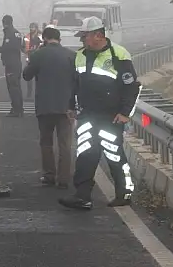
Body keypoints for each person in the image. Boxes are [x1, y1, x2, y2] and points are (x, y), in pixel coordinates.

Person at [58, 17, 142, 210]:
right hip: (87, 114)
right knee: (85, 154)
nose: (82, 40)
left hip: (111, 116)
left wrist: (125, 113)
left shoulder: (118, 55)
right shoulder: (80, 55)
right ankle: (82, 196)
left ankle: (124, 193)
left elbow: (132, 88)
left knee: (114, 155)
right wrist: (71, 106)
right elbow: (74, 84)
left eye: (85, 36)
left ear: (98, 35)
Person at [22, 27, 76, 189]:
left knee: (46, 142)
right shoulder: (71, 56)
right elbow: (77, 81)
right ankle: (64, 178)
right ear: (59, 39)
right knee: (65, 144)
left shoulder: (39, 54)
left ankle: (49, 175)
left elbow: (26, 75)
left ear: (44, 38)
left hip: (44, 106)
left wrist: (34, 57)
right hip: (66, 106)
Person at [0, 14, 24, 117]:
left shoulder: (11, 33)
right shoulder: (15, 33)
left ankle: (17, 109)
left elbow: (10, 47)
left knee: (13, 87)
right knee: (16, 87)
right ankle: (18, 108)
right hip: (15, 63)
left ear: (5, 23)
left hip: (12, 64)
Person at [23, 22, 42, 99]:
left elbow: (43, 45)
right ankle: (29, 94)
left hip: (39, 59)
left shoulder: (40, 36)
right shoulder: (27, 36)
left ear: (36, 28)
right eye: (31, 27)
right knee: (29, 77)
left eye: (33, 27)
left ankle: (39, 93)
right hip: (30, 58)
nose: (31, 29)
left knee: (39, 77)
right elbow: (23, 46)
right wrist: (25, 50)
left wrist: (35, 49)